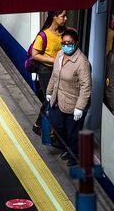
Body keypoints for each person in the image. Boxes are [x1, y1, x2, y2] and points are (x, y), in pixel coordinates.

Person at [46, 29, 92, 166]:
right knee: (57, 125)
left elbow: (86, 87)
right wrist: (49, 92)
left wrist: (79, 107)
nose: (66, 45)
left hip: (73, 104)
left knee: (73, 134)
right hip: (58, 100)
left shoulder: (82, 62)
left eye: (69, 43)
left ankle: (74, 156)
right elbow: (55, 76)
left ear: (76, 43)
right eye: (64, 43)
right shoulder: (60, 55)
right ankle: (67, 148)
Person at [32, 10, 68, 135]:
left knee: (56, 98)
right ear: (54, 17)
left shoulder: (64, 33)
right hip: (46, 71)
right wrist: (52, 60)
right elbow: (35, 55)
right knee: (50, 99)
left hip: (60, 70)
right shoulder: (43, 35)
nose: (65, 19)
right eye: (63, 16)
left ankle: (44, 125)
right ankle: (39, 125)